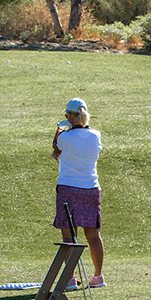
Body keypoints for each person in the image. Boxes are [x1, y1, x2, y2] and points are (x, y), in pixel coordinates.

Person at [51, 98, 104, 287]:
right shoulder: (95, 136)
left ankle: (70, 278)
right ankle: (98, 276)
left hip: (68, 188)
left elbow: (56, 146)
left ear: (71, 116)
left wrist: (59, 128)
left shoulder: (65, 137)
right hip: (90, 188)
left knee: (69, 235)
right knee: (93, 234)